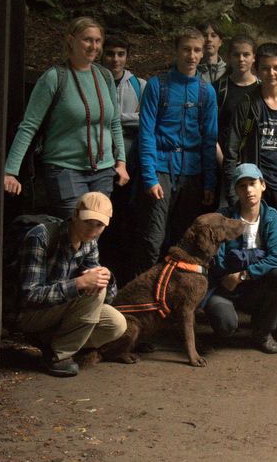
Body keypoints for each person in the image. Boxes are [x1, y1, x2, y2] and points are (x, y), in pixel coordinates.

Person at [3, 17, 128, 219]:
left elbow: (114, 123)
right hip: (65, 169)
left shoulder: (104, 76)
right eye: (87, 40)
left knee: (95, 229)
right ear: (71, 40)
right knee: (75, 225)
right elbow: (29, 126)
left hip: (103, 171)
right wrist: (10, 171)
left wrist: (121, 162)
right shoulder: (54, 78)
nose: (94, 46)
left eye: (98, 41)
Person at [12, 192, 127, 377]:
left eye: (99, 225)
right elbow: (29, 297)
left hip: (60, 312)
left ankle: (50, 342)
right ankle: (58, 355)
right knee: (93, 291)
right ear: (75, 215)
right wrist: (78, 284)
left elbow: (105, 300)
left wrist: (108, 279)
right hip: (29, 315)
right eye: (88, 222)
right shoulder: (41, 237)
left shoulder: (89, 244)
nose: (92, 230)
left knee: (116, 324)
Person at [133, 28, 218, 274]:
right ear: (176, 50)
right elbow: (147, 133)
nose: (192, 55)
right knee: (153, 237)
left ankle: (174, 288)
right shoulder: (157, 86)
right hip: (161, 168)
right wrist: (149, 176)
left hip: (192, 173)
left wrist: (209, 182)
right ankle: (145, 287)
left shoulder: (206, 91)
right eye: (186, 49)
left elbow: (209, 139)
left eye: (197, 50)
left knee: (184, 239)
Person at [225, 42, 277, 263]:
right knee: (249, 246)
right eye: (265, 68)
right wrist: (233, 192)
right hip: (253, 186)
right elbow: (231, 151)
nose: (271, 73)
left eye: (276, 67)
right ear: (257, 70)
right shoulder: (247, 104)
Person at [205, 163, 277, 354]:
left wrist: (243, 273)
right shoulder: (223, 217)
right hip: (225, 287)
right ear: (236, 190)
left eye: (252, 183)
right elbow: (219, 262)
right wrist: (258, 256)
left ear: (263, 185)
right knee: (225, 326)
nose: (248, 190)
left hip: (253, 284)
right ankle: (227, 319)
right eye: (242, 186)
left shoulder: (271, 216)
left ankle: (263, 333)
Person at [99, 34, 146, 283]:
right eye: (110, 54)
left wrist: (114, 118)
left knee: (126, 218)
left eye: (121, 54)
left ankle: (124, 275)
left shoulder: (139, 85)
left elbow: (146, 119)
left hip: (131, 163)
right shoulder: (94, 80)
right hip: (100, 162)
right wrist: (128, 118)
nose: (115, 59)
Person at [214, 34, 259, 201]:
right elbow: (210, 129)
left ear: (254, 57)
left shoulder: (262, 88)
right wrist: (224, 162)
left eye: (246, 54)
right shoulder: (219, 89)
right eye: (236, 55)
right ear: (229, 57)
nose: (241, 59)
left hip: (255, 162)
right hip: (223, 161)